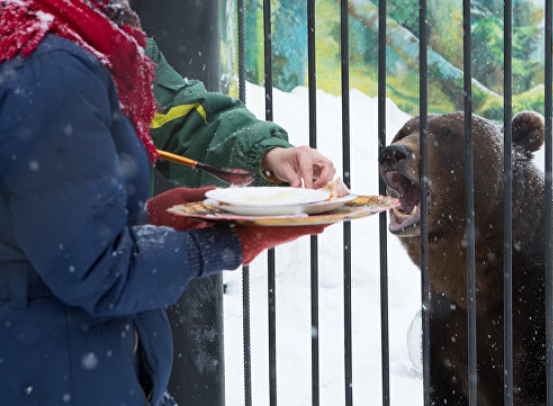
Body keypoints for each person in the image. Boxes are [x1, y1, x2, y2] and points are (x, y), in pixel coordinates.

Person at [0, 1, 333, 405]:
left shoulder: (88, 30)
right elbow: (93, 268)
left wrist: (267, 153)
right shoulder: (50, 61)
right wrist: (230, 241)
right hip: (52, 365)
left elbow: (177, 112)